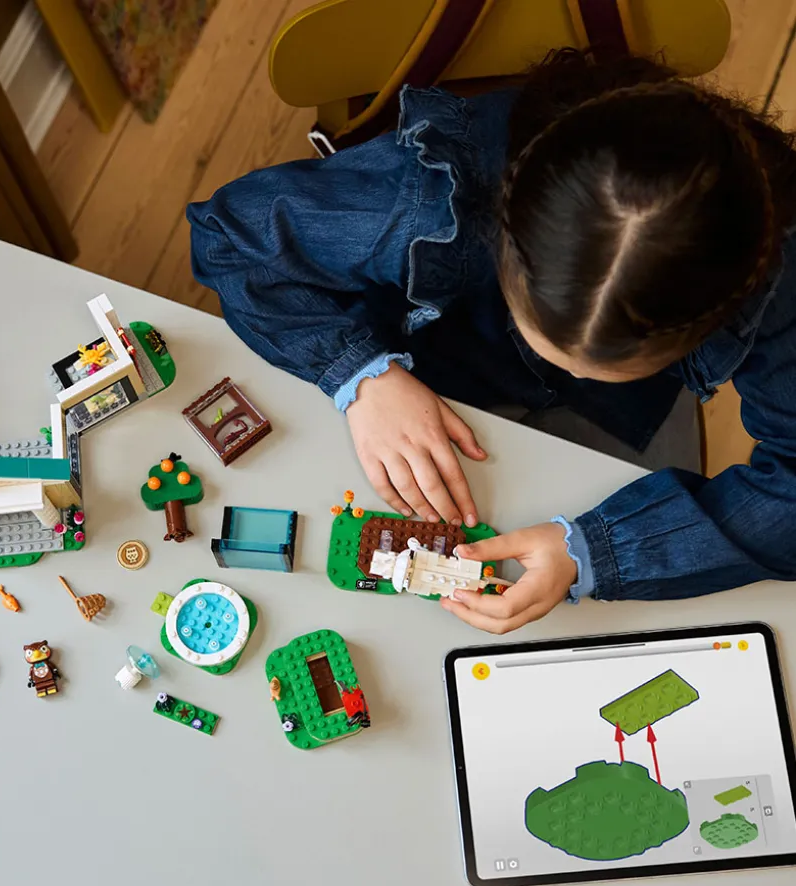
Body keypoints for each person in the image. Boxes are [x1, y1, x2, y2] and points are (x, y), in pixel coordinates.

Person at [186, 50, 796, 634]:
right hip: (430, 363)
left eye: (607, 363)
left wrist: (593, 553)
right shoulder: (431, 198)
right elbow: (229, 237)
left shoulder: (778, 278)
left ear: (711, 322)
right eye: (555, 341)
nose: (578, 373)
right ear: (502, 238)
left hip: (623, 416)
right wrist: (362, 374)